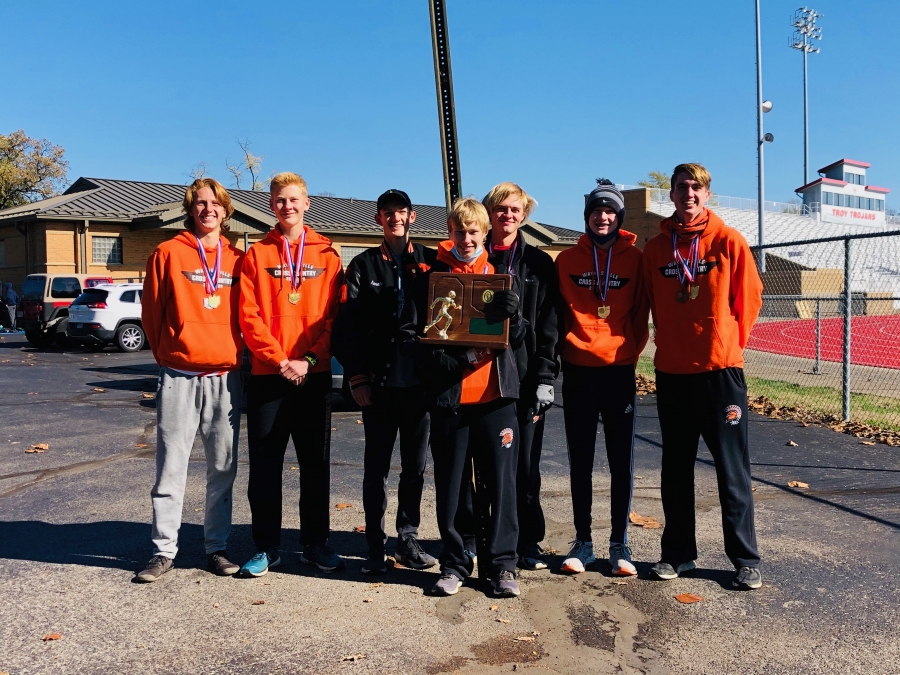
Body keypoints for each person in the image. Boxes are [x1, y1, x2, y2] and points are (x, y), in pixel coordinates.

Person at [641, 163, 763, 590]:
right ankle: (677, 554)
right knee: (675, 469)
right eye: (681, 188)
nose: (688, 194)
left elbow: (748, 302)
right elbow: (651, 302)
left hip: (720, 373)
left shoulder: (729, 241)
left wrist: (724, 343)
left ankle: (745, 558)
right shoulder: (657, 250)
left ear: (707, 194)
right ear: (670, 196)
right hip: (673, 373)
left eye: (696, 187)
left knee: (732, 470)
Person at [408, 196, 524, 598]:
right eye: (460, 231)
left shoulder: (501, 276)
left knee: (501, 485)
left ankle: (503, 565)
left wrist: (516, 316)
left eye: (474, 231)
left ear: (485, 232)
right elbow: (414, 337)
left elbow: (518, 340)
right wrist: (449, 363)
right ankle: (457, 561)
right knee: (453, 486)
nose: (468, 238)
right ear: (449, 232)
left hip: (496, 399)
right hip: (451, 402)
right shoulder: (432, 280)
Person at [136, 178, 245, 582]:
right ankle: (163, 551)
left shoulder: (238, 259)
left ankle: (216, 547)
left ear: (225, 210)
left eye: (215, 203)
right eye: (200, 203)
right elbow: (151, 313)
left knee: (222, 468)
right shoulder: (167, 252)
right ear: (190, 209)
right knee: (171, 467)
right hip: (180, 375)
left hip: (225, 377)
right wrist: (168, 355)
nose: (208, 210)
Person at [239, 172, 344, 576]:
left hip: (312, 376)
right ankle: (267, 546)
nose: (288, 206)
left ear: (307, 203)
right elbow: (248, 315)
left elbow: (335, 319)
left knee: (315, 465)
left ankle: (315, 544)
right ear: (272, 205)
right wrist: (279, 358)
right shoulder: (257, 255)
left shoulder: (328, 256)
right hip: (269, 375)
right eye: (280, 200)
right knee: (265, 465)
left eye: (294, 199)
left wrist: (309, 361)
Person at [331, 189, 438, 575]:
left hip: (419, 387)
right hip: (376, 387)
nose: (396, 218)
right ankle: (374, 546)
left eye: (402, 212)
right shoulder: (361, 266)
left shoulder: (430, 261)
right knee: (375, 469)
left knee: (415, 468)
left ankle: (407, 538)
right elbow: (346, 330)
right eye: (388, 212)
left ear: (413, 217)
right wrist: (357, 377)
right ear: (379, 218)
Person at [555, 179, 649, 576]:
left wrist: (627, 351)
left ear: (619, 216)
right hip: (577, 372)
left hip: (617, 372)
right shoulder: (566, 261)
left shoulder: (636, 259)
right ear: (587, 216)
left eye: (610, 210)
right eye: (596, 210)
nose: (603, 216)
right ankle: (583, 541)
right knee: (580, 460)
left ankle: (619, 544)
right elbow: (557, 313)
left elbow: (641, 313)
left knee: (620, 463)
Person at [482, 182, 559, 571]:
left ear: (524, 214)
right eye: (500, 209)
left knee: (525, 466)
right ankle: (482, 538)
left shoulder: (539, 264)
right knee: (483, 466)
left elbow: (549, 326)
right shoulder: (473, 258)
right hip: (479, 375)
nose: (507, 216)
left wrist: (545, 375)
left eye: (514, 210)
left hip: (525, 377)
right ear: (489, 212)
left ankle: (528, 540)